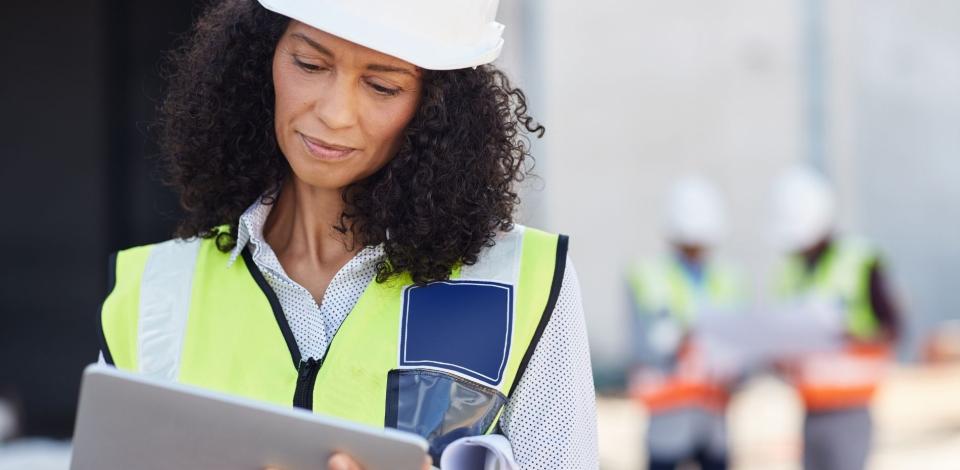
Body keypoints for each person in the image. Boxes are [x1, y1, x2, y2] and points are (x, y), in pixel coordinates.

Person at [97, 1, 598, 468]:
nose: (335, 113)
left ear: (437, 106)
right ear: (260, 57)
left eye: (382, 87)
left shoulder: (523, 283)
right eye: (309, 65)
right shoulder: (155, 294)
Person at [770, 166, 902, 470]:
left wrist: (847, 338)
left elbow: (892, 330)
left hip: (851, 408)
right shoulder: (790, 272)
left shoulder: (862, 260)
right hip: (810, 407)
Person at [627, 177, 743, 470]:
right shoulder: (647, 275)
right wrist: (682, 338)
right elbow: (643, 344)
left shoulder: (729, 278)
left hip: (714, 421)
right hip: (668, 420)